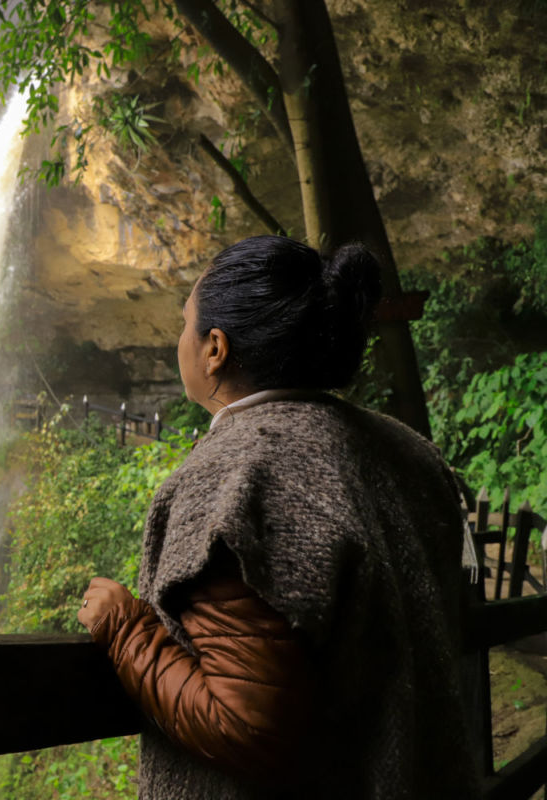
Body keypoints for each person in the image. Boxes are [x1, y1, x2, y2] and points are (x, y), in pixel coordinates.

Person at [77, 235, 482, 799]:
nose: (178, 341)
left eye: (184, 323)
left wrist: (124, 632)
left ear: (214, 347)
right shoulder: (409, 452)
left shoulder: (241, 472)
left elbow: (245, 724)